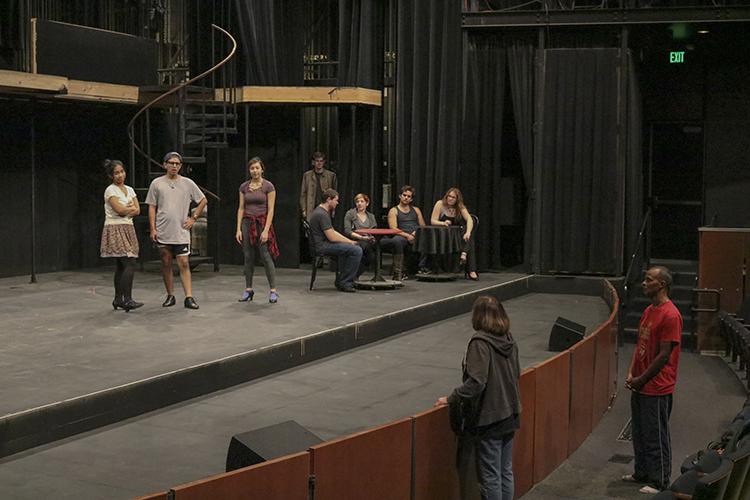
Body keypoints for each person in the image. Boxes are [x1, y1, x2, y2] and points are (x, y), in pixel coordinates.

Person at [436, 295, 521, 500]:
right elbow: (517, 373)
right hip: (511, 413)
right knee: (505, 471)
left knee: (491, 477)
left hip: (491, 417)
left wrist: (451, 398)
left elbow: (477, 382)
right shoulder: (509, 340)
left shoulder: (480, 343)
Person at [623, 266, 682, 494]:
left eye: (649, 280)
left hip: (656, 386)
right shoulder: (649, 310)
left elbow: (664, 354)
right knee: (639, 432)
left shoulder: (671, 314)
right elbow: (641, 346)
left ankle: (660, 480)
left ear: (662, 285)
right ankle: (642, 472)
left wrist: (641, 379)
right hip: (640, 383)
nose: (644, 283)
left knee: (656, 434)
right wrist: (631, 373)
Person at [146, 152, 207, 309]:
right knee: (166, 262)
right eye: (171, 163)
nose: (174, 166)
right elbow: (152, 207)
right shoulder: (157, 183)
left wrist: (193, 218)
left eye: (177, 164)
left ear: (180, 166)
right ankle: (170, 295)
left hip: (181, 231)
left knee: (184, 262)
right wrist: (152, 228)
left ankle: (189, 297)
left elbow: (202, 200)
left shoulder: (187, 183)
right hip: (163, 229)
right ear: (165, 164)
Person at [235, 157, 280, 304]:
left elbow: (271, 209)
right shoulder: (244, 187)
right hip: (247, 223)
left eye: (257, 168)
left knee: (265, 256)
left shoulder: (268, 186)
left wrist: (266, 230)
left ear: (262, 169)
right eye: (252, 168)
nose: (254, 171)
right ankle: (248, 289)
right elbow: (241, 208)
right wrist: (238, 229)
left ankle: (273, 290)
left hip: (262, 222)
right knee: (248, 257)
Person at [100, 159, 143, 312]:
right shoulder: (110, 190)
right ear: (111, 176)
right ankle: (127, 299)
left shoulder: (130, 190)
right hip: (115, 228)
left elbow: (137, 210)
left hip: (128, 227)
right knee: (130, 263)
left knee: (121, 265)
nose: (120, 175)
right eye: (116, 173)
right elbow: (119, 210)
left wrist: (129, 209)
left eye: (122, 172)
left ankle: (118, 299)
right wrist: (128, 208)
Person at [308, 188, 363, 292]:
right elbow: (332, 237)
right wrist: (350, 242)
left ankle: (341, 280)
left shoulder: (322, 212)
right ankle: (345, 282)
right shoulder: (321, 214)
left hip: (324, 243)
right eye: (336, 200)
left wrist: (348, 241)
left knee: (352, 247)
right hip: (322, 246)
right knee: (356, 250)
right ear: (329, 199)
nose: (337, 203)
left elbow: (333, 231)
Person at [430, 187, 478, 280]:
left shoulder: (460, 206)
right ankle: (470, 267)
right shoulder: (440, 204)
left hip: (458, 234)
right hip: (445, 234)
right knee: (470, 241)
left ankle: (465, 255)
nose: (450, 199)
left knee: (468, 234)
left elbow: (469, 219)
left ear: (457, 199)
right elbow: (432, 221)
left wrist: (468, 232)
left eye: (453, 197)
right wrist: (443, 223)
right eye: (449, 196)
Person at [383, 185, 426, 280]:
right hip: (401, 234)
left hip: (415, 234)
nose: (406, 197)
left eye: (409, 196)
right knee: (397, 241)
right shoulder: (394, 210)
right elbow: (393, 228)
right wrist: (407, 236)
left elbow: (422, 225)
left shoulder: (416, 210)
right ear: (400, 196)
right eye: (404, 195)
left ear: (411, 199)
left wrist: (415, 233)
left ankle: (422, 268)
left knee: (428, 238)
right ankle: (399, 271)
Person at [342, 193, 376, 273]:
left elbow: (374, 229)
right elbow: (347, 231)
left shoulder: (371, 216)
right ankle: (352, 275)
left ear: (367, 203)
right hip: (355, 239)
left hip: (369, 240)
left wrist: (371, 238)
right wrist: (361, 238)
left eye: (362, 201)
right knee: (366, 250)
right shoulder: (350, 214)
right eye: (357, 202)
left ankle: (355, 275)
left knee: (373, 252)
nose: (359, 203)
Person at [300, 151, 337, 221]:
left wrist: (333, 209)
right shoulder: (307, 175)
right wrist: (303, 210)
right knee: (311, 229)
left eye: (321, 161)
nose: (319, 163)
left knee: (325, 228)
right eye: (317, 161)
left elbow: (334, 194)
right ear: (313, 162)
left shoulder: (331, 175)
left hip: (325, 208)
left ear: (324, 162)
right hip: (311, 207)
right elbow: (303, 194)